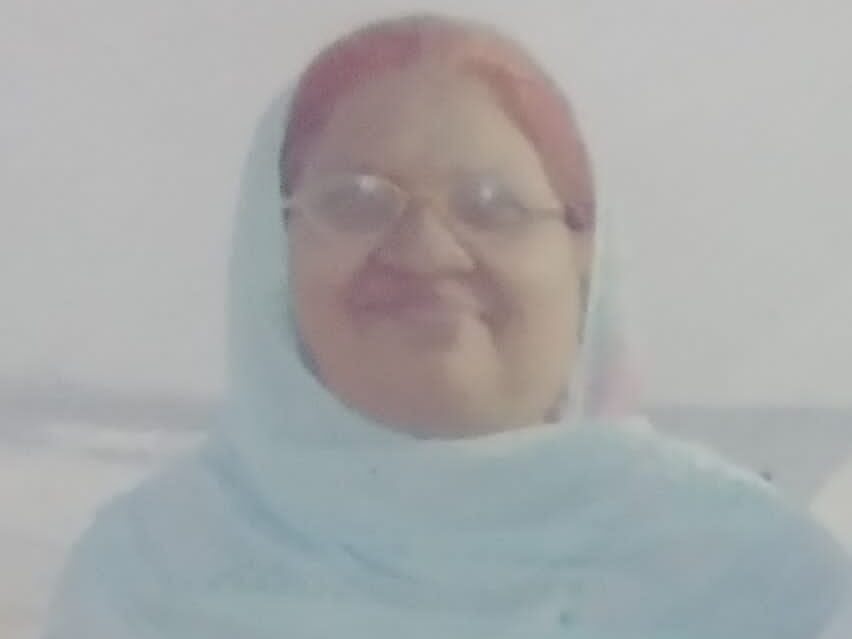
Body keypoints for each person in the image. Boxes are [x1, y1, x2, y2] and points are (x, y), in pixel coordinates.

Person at [43, 14, 849, 639]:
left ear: (586, 256)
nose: (426, 249)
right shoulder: (148, 571)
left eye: (492, 205)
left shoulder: (760, 580)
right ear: (270, 251)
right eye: (356, 202)